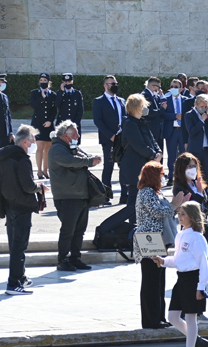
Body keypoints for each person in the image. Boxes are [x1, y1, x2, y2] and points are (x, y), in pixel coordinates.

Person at [153, 202, 208, 347]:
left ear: (192, 216)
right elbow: (178, 261)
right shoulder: (181, 235)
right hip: (181, 279)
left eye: (183, 214)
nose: (179, 217)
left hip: (193, 280)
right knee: (172, 317)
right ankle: (198, 341)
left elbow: (203, 263)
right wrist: (163, 261)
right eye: (179, 213)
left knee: (191, 318)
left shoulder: (197, 237)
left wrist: (201, 287)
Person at [134, 162, 186, 329]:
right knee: (151, 280)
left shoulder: (156, 192)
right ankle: (151, 320)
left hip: (158, 239)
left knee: (159, 280)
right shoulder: (146, 192)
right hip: (149, 240)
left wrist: (176, 205)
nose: (164, 177)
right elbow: (157, 212)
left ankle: (159, 317)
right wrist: (174, 205)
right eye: (161, 174)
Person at [48, 121, 101, 272]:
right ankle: (63, 260)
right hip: (67, 196)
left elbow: (83, 156)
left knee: (79, 230)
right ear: (66, 136)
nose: (78, 136)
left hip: (80, 195)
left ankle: (75, 258)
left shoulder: (71, 147)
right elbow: (71, 162)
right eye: (75, 134)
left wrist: (90, 158)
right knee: (68, 230)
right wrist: (90, 161)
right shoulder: (57, 149)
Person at [1, 125, 40, 295]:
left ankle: (21, 277)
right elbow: (28, 186)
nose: (34, 143)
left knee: (15, 245)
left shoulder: (5, 156)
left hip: (9, 204)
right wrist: (39, 188)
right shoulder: (22, 160)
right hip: (22, 206)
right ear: (25, 142)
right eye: (32, 140)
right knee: (19, 247)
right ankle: (14, 283)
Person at [121, 94, 162, 221]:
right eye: (142, 106)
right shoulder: (129, 124)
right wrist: (153, 155)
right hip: (134, 167)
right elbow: (138, 145)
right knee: (133, 201)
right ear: (136, 107)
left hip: (145, 166)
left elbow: (152, 140)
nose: (145, 108)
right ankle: (132, 228)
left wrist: (158, 151)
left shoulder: (142, 122)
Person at [92, 75, 126, 203]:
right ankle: (106, 196)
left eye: (116, 83)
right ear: (106, 85)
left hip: (123, 140)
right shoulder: (99, 101)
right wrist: (110, 135)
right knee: (108, 167)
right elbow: (98, 121)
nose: (115, 85)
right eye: (112, 83)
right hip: (109, 140)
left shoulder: (121, 101)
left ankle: (124, 195)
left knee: (124, 168)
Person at [184, 94, 208, 185]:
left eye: (205, 106)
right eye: (201, 106)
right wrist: (201, 121)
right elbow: (192, 131)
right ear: (196, 104)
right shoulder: (189, 115)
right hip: (196, 150)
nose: (203, 108)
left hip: (207, 149)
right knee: (195, 175)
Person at [30, 73, 57, 180]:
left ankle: (46, 171)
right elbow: (33, 105)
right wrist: (42, 96)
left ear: (48, 82)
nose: (43, 82)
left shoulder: (53, 94)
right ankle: (39, 171)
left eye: (45, 80)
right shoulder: (34, 93)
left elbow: (54, 110)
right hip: (38, 124)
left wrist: (50, 121)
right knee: (40, 147)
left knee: (48, 148)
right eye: (41, 80)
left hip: (48, 124)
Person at [162, 79, 188, 186]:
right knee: (171, 154)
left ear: (181, 89)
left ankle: (182, 176)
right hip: (171, 131)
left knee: (183, 154)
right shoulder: (165, 99)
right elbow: (162, 115)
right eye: (172, 86)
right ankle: (171, 176)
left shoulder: (186, 100)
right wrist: (175, 116)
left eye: (176, 87)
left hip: (182, 131)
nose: (173, 88)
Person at [141, 77, 164, 149]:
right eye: (159, 87)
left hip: (157, 129)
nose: (159, 89)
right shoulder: (146, 95)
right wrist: (162, 109)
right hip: (151, 128)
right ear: (154, 86)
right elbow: (150, 113)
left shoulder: (154, 95)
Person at [0, 74, 13, 148]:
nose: (2, 84)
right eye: (1, 82)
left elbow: (8, 115)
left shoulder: (4, 97)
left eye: (3, 82)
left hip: (5, 133)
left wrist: (11, 132)